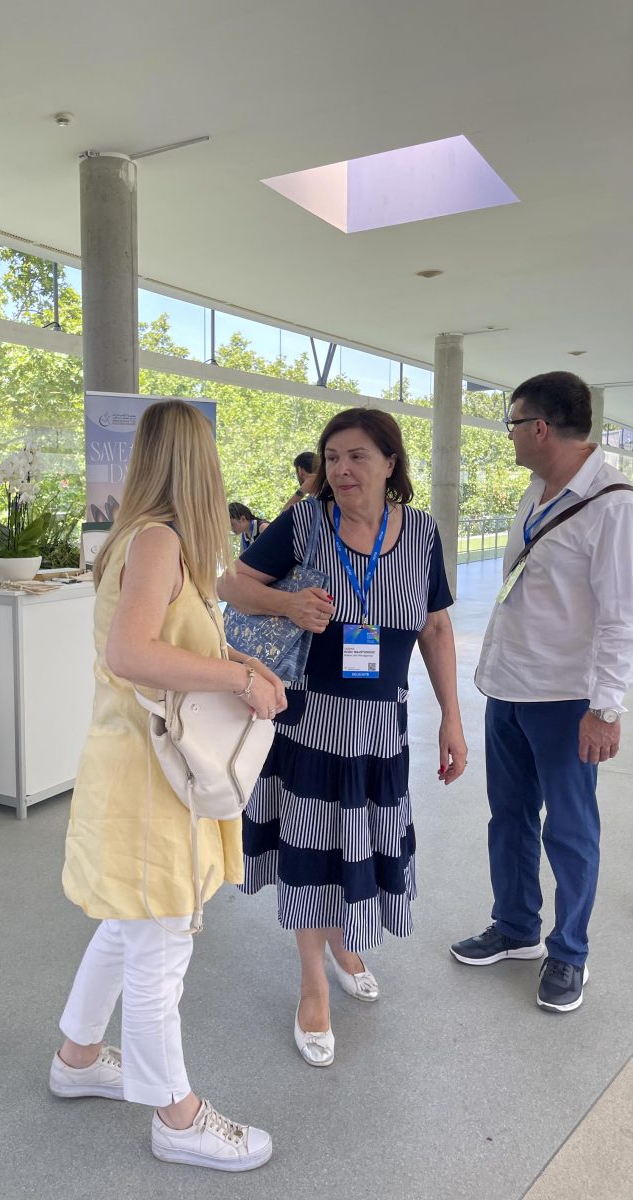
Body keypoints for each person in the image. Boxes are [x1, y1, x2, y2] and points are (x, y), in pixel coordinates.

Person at [51, 400, 286, 1171]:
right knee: (160, 946)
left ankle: (78, 1058)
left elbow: (160, 646)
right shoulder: (158, 541)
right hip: (150, 781)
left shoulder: (150, 539)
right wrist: (237, 678)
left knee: (131, 925)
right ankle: (176, 1117)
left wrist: (241, 665)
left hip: (137, 769)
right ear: (198, 463)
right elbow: (131, 653)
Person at [218, 408, 467, 1066]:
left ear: (390, 463)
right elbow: (229, 584)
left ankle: (341, 940)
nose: (342, 469)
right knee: (310, 850)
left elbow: (436, 628)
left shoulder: (421, 533)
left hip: (381, 729)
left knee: (353, 843)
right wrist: (286, 603)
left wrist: (452, 717)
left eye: (357, 456)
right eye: (332, 458)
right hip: (308, 722)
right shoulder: (306, 522)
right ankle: (313, 986)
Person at [450, 372, 633, 1012]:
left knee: (571, 830)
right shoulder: (537, 490)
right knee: (510, 817)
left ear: (540, 428)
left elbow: (621, 619)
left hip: (566, 699)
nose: (508, 436)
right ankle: (516, 926)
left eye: (511, 423)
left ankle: (569, 953)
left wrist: (605, 709)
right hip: (509, 686)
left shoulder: (612, 504)